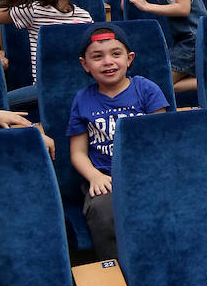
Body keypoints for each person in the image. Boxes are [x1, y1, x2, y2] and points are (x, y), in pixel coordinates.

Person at [67, 27, 169, 258]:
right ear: (85, 65)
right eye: (97, 56)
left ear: (129, 59)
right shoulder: (83, 99)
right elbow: (78, 153)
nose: (107, 62)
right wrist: (95, 177)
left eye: (116, 54)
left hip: (147, 174)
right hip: (105, 179)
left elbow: (162, 141)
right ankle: (117, 271)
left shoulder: (146, 90)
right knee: (102, 210)